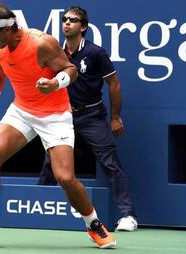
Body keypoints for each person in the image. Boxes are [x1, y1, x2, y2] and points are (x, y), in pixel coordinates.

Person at [0, 3, 116, 249]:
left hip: (55, 115)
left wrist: (55, 84)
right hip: (22, 111)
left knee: (65, 178)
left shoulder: (41, 43)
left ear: (7, 29)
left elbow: (71, 70)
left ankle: (93, 224)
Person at [38, 6, 138, 232]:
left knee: (110, 163)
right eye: (64, 20)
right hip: (62, 116)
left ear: (83, 27)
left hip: (91, 115)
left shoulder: (95, 53)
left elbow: (114, 83)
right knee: (50, 165)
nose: (66, 23)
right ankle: (38, 210)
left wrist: (115, 117)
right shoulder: (55, 52)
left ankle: (127, 216)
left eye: (72, 20)